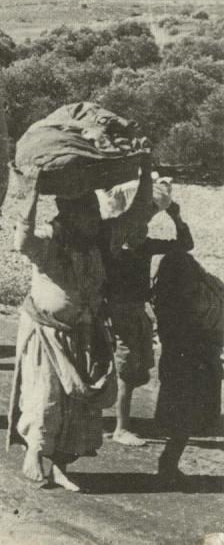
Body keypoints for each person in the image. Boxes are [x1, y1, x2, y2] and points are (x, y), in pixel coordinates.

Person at [7, 177, 117, 492]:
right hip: (46, 333)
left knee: (76, 405)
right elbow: (22, 241)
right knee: (45, 399)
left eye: (96, 211)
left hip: (82, 333)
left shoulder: (97, 242)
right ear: (70, 214)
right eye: (89, 213)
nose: (96, 218)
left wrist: (146, 166)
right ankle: (34, 454)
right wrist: (32, 194)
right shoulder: (50, 241)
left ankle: (59, 465)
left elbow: (136, 218)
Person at [101, 172, 193, 447]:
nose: (146, 227)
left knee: (134, 370)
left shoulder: (143, 246)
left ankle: (112, 416)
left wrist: (176, 218)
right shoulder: (114, 247)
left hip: (136, 312)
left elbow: (185, 245)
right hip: (119, 312)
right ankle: (121, 428)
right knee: (127, 370)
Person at [151, 249, 223, 484]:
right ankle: (168, 465)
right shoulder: (188, 296)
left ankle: (168, 464)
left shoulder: (167, 296)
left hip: (184, 361)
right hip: (193, 361)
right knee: (187, 416)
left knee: (183, 418)